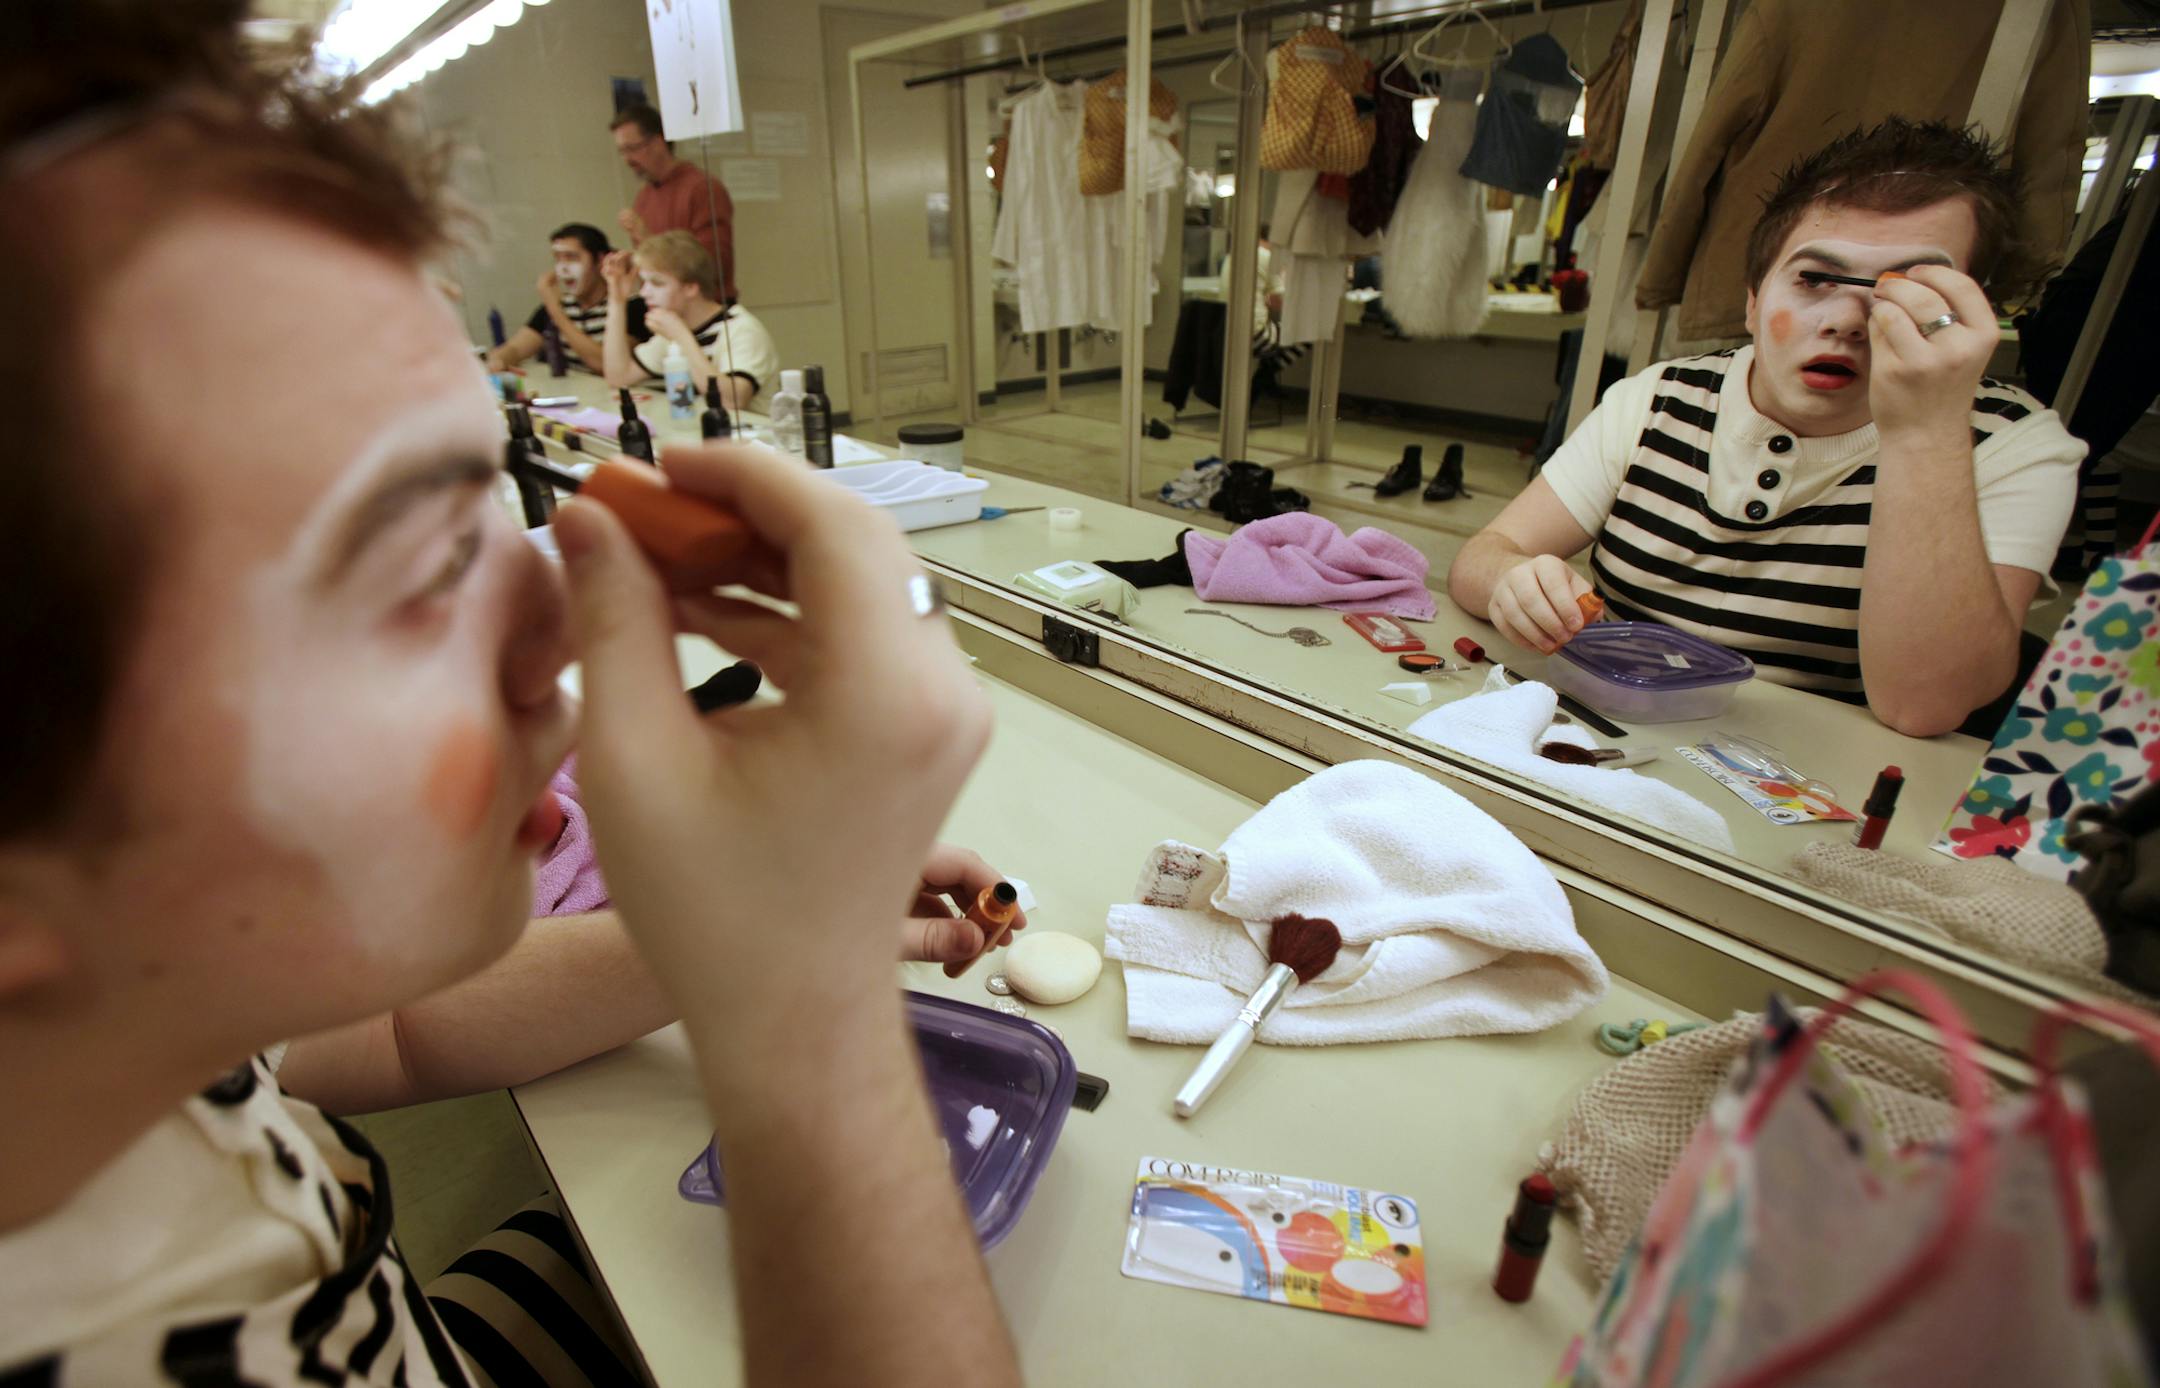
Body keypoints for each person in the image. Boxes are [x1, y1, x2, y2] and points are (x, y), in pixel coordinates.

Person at [0, 5, 1022, 1386]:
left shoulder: (126, 1034)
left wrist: (742, 925)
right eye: (420, 565)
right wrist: (806, 1021)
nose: (563, 616)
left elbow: (397, 1034)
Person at [1448, 119, 2085, 738]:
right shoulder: (1657, 399)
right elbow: (1481, 557)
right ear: (1754, 299)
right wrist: (1512, 581)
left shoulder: (2012, 444)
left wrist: (1924, 429)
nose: (1847, 320)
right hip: (1614, 736)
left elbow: (1924, 707)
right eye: (1814, 280)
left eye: (1903, 293)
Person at [601, 229, 778, 409]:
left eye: (657, 283)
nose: (644, 293)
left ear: (691, 288)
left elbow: (730, 402)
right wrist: (617, 300)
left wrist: (682, 338)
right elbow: (619, 377)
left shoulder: (742, 329)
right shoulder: (675, 330)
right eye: (644, 282)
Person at [610, 102, 735, 305]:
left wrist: (647, 239)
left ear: (658, 142)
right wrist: (631, 264)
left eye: (632, 149)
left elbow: (713, 267)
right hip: (665, 309)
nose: (627, 159)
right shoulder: (644, 196)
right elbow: (655, 268)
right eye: (622, 151)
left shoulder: (702, 188)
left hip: (706, 311)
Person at [482, 222, 647, 374]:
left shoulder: (631, 307)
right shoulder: (559, 306)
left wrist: (555, 311)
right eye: (557, 258)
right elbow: (516, 348)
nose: (563, 268)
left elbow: (603, 364)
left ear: (600, 260)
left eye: (571, 257)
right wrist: (499, 359)